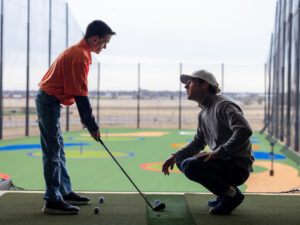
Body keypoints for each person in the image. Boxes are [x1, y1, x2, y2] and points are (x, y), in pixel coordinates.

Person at [35, 20, 116, 215]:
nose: (104, 47)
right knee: (52, 151)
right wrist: (92, 126)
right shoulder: (79, 56)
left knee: (58, 148)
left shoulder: (82, 53)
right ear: (95, 39)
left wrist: (91, 124)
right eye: (104, 43)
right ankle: (52, 199)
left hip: (51, 101)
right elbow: (81, 96)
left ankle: (64, 191)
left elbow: (79, 93)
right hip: (48, 101)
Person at [162, 70, 254, 215]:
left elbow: (244, 130)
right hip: (224, 162)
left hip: (237, 168)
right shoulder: (203, 113)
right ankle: (223, 193)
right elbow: (198, 142)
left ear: (204, 84)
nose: (186, 87)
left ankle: (232, 196)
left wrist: (218, 152)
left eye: (190, 82)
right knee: (182, 160)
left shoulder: (224, 105)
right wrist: (175, 156)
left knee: (190, 165)